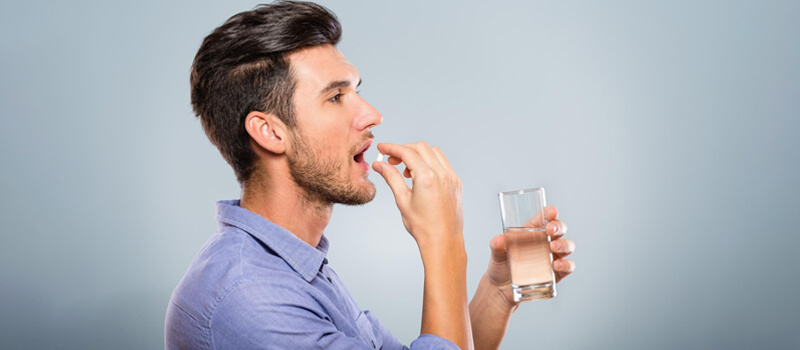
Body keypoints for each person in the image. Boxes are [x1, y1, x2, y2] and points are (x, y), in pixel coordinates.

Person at [164, 2, 576, 349]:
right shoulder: (250, 299)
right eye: (336, 96)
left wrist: (498, 293)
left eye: (357, 90)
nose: (372, 114)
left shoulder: (294, 265)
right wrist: (443, 243)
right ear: (270, 132)